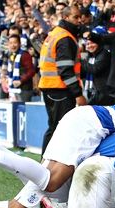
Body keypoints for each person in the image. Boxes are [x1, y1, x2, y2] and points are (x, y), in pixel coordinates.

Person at [38, 5, 87, 154]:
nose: (80, 20)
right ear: (66, 17)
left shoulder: (55, 33)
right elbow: (65, 69)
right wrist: (78, 94)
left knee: (54, 127)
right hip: (60, 89)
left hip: (50, 87)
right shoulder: (65, 37)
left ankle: (45, 165)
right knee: (59, 129)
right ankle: (49, 166)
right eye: (76, 17)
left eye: (80, 17)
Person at [0, 34, 35, 102]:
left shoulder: (25, 55)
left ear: (19, 44)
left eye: (15, 42)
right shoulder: (10, 55)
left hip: (24, 89)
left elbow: (31, 71)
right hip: (13, 89)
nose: (13, 45)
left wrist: (21, 80)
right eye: (11, 43)